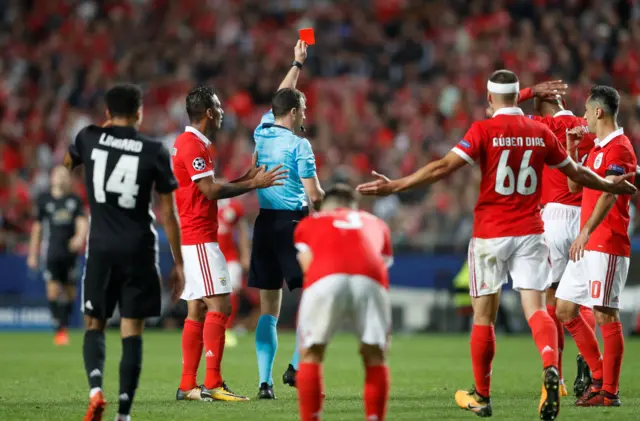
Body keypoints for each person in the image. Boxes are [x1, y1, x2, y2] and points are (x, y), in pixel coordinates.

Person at [357, 70, 636, 420]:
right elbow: (577, 174)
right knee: (539, 308)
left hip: (492, 232)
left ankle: (482, 395)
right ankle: (552, 368)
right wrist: (611, 186)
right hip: (533, 232)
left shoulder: (483, 130)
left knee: (484, 317)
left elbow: (443, 167)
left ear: (490, 99)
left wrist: (396, 186)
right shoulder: (540, 131)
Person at [63, 84, 185, 421]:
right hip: (139, 249)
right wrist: (178, 262)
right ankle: (124, 413)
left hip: (101, 246)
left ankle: (95, 389)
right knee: (132, 330)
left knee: (94, 323)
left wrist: (95, 142)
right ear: (139, 113)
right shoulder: (154, 151)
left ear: (106, 113)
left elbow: (66, 162)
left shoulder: (88, 137)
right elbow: (168, 215)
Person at [173, 86, 286, 402]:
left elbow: (204, 189)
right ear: (209, 112)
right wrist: (253, 183)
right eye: (219, 107)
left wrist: (245, 178)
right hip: (199, 237)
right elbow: (209, 192)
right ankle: (213, 382)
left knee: (196, 308)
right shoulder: (192, 144)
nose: (223, 112)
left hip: (194, 236)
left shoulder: (194, 143)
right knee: (221, 305)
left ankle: (187, 385)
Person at [249, 39, 325, 400]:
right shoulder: (300, 146)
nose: (306, 111)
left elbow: (281, 96)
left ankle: (264, 383)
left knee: (270, 308)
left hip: (264, 224)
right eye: (303, 107)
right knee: (318, 296)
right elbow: (314, 196)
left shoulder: (262, 131)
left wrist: (297, 64)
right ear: (294, 112)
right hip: (293, 227)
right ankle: (296, 367)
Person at [555, 85, 637, 407]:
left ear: (599, 112)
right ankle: (599, 375)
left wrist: (585, 230)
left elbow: (610, 193)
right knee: (564, 308)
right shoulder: (594, 149)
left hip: (607, 243)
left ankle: (610, 393)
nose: (585, 117)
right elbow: (575, 184)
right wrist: (573, 149)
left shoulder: (620, 149)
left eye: (587, 111)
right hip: (588, 245)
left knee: (605, 314)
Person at [519, 89, 598, 397]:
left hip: (552, 216)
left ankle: (560, 379)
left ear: (543, 106)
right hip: (585, 217)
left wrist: (528, 91)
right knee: (582, 299)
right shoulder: (586, 125)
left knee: (552, 299)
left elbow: (498, 110)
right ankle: (588, 357)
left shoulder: (540, 125)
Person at [294, 184, 393, 421]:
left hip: (325, 279)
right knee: (375, 355)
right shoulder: (376, 223)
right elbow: (382, 263)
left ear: (327, 204)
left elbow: (306, 263)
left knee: (311, 353)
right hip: (371, 281)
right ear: (353, 206)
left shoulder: (311, 222)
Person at [27, 165, 88, 345]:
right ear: (52, 178)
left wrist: (79, 237)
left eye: (64, 174)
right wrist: (32, 254)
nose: (61, 177)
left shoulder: (74, 201)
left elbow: (82, 222)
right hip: (51, 253)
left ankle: (64, 324)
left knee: (70, 292)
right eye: (57, 174)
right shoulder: (44, 200)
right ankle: (59, 328)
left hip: (69, 253)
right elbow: (37, 229)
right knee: (53, 290)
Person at [217, 196, 251, 347]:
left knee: (231, 291)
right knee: (210, 295)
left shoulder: (233, 206)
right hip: (209, 257)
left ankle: (227, 329)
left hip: (230, 258)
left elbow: (242, 229)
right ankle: (208, 330)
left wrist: (245, 254)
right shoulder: (201, 200)